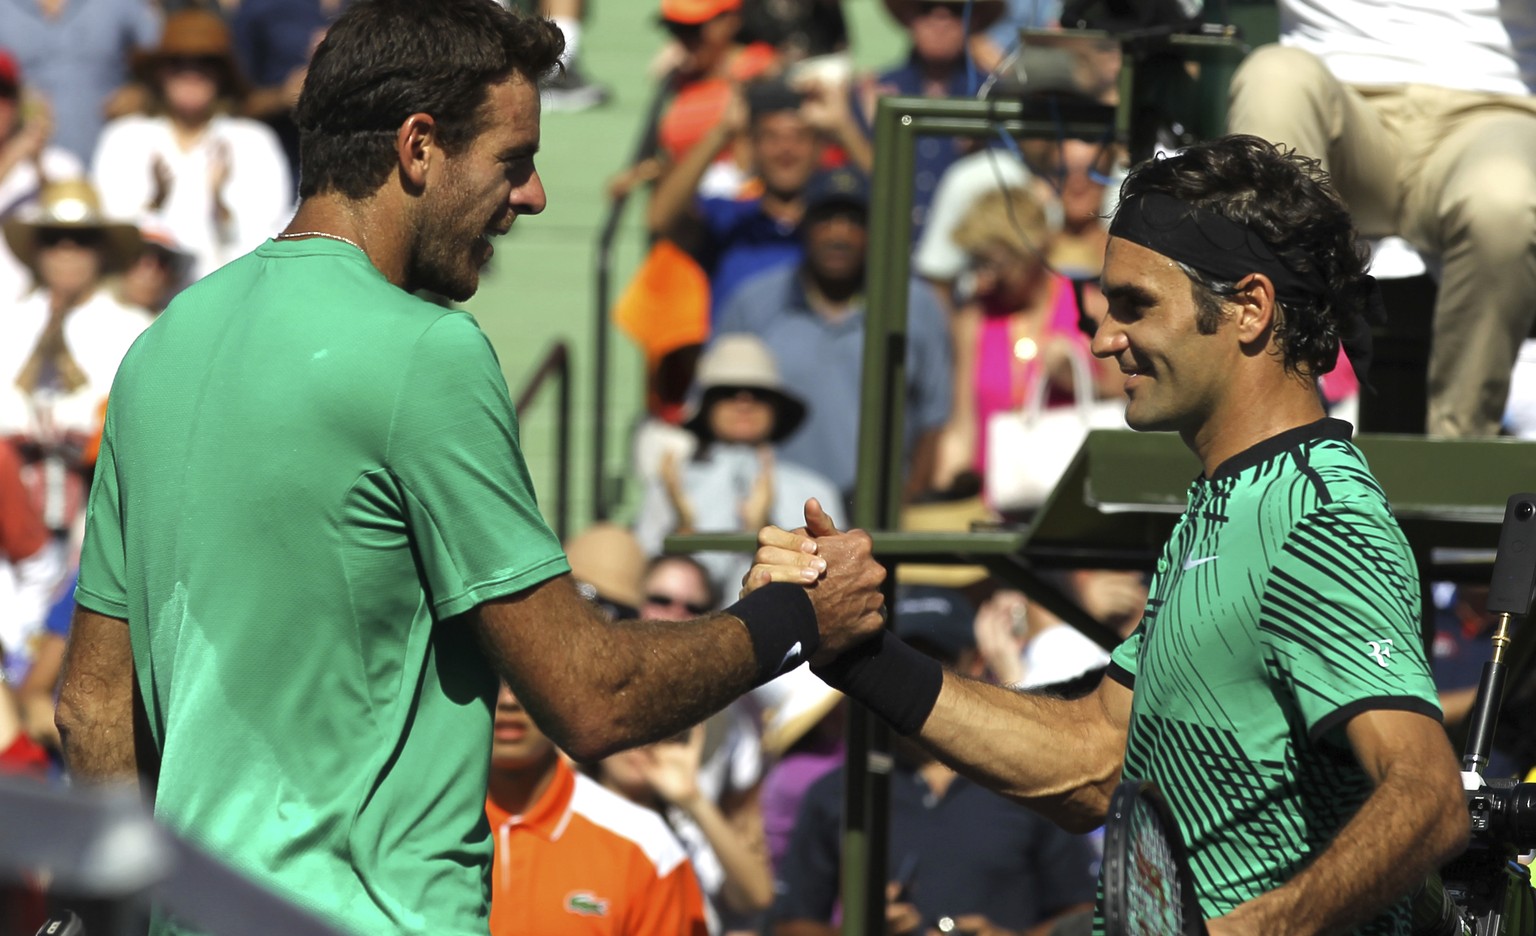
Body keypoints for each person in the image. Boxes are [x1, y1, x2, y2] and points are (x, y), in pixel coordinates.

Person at [54, 4, 887, 936]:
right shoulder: (429, 352)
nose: (531, 197)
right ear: (418, 148)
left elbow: (92, 711)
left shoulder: (160, 348)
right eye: (513, 160)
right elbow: (591, 696)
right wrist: (796, 615)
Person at [748, 135, 1470, 933]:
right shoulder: (1226, 503)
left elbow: (1428, 797)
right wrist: (856, 652)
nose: (1101, 340)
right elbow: (1094, 760)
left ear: (1250, 308)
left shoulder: (1317, 517)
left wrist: (1258, 928)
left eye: (1135, 305)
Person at [1227, 0, 1536, 438]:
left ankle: (1459, 450)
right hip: (1337, 101)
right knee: (1273, 79)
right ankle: (1273, 436)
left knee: (1503, 203)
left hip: (1493, 108)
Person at [769, 585, 1098, 936]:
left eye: (935, 663)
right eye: (903, 662)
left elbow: (1083, 912)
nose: (916, 682)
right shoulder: (837, 791)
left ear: (975, 661)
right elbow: (792, 923)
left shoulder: (1029, 782)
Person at [716, 167, 952, 503]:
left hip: (878, 519)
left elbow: (933, 416)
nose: (839, 234)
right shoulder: (753, 303)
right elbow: (716, 410)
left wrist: (909, 503)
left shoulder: (914, 304)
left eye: (855, 221)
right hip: (777, 513)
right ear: (804, 225)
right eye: (826, 219)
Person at [486, 680, 710, 936]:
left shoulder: (648, 846)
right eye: (487, 674)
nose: (508, 702)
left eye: (520, 677)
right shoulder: (431, 828)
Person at [0, 179, 153, 536]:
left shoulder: (132, 327)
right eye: (53, 238)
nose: (67, 250)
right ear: (37, 249)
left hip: (94, 513)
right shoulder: (9, 321)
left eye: (82, 240)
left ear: (101, 249)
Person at [635, 333, 846, 592]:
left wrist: (763, 528)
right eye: (728, 392)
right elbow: (643, 579)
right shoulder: (673, 481)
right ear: (708, 405)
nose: (743, 402)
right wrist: (684, 528)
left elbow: (832, 584)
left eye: (758, 394)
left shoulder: (815, 492)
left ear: (776, 407)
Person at [93, 9, 294, 281]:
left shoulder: (253, 142)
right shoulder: (125, 138)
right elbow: (110, 231)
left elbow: (268, 240)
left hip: (227, 300)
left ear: (222, 74)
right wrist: (154, 206)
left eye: (204, 64)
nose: (191, 74)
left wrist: (220, 206)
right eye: (178, 63)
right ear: (160, 72)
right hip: (141, 305)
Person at [0, 0, 160, 164]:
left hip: (110, 162)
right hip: (23, 169)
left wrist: (141, 92)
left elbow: (167, 56)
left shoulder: (122, 4)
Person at [0, 49, 86, 304]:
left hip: (33, 310)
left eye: (3, 93)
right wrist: (11, 160)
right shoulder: (15, 157)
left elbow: (75, 230)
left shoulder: (60, 163)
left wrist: (37, 165)